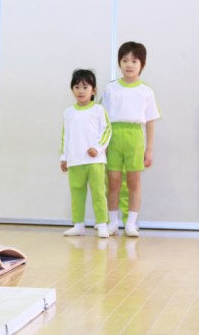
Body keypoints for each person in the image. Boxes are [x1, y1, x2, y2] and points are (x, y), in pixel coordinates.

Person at [102, 41, 161, 237]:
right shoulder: (111, 89)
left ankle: (131, 223)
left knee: (134, 181)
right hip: (114, 135)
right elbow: (102, 119)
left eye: (134, 61)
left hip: (135, 136)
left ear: (141, 64)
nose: (129, 64)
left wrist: (149, 149)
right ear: (119, 63)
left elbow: (151, 121)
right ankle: (113, 222)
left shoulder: (146, 91)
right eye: (125, 60)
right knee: (113, 181)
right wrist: (102, 144)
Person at [60, 69, 112, 238]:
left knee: (98, 192)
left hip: (95, 161)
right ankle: (78, 224)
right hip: (75, 162)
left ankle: (102, 224)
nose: (81, 91)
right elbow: (65, 136)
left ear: (93, 90)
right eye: (76, 87)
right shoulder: (68, 112)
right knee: (77, 194)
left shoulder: (98, 110)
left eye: (85, 87)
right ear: (72, 90)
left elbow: (106, 131)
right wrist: (64, 158)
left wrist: (97, 148)